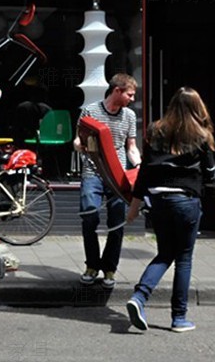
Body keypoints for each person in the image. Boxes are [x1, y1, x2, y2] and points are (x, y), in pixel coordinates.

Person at [125, 87, 215, 333]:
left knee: (165, 253)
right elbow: (211, 175)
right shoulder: (201, 135)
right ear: (197, 108)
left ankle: (139, 297)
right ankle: (179, 318)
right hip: (186, 202)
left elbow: (144, 172)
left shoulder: (156, 130)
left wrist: (134, 206)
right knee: (184, 258)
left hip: (158, 201)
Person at [73, 73, 141, 289]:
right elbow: (77, 139)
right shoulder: (90, 111)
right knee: (89, 216)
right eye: (130, 94)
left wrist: (139, 167)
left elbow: (131, 146)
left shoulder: (129, 116)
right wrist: (78, 145)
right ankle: (92, 265)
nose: (132, 98)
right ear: (117, 90)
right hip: (92, 172)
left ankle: (109, 269)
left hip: (118, 175)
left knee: (116, 223)